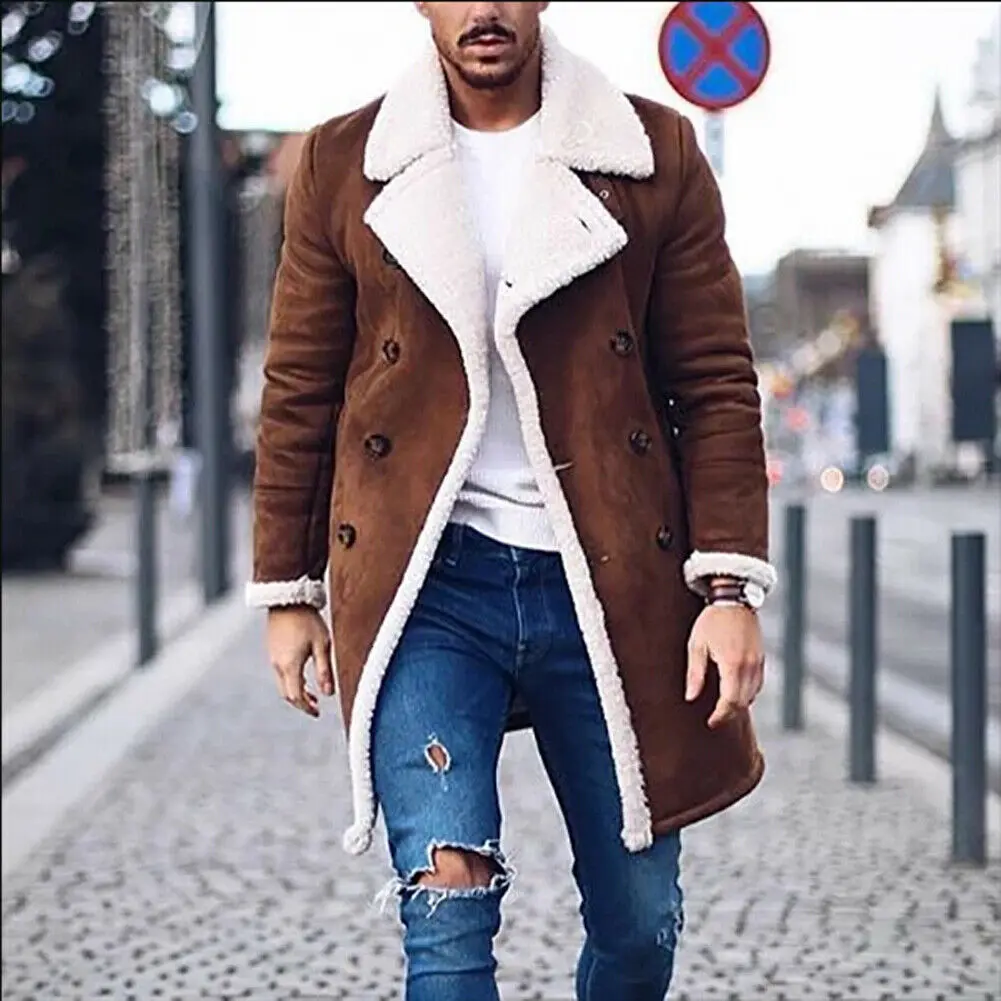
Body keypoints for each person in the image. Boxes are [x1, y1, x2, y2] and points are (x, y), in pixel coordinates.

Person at [246, 3, 776, 999]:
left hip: (608, 577)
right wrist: (287, 588)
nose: (482, 10)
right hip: (426, 582)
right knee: (444, 901)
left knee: (636, 921)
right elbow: (299, 388)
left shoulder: (650, 151)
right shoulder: (344, 163)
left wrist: (727, 588)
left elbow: (712, 383)